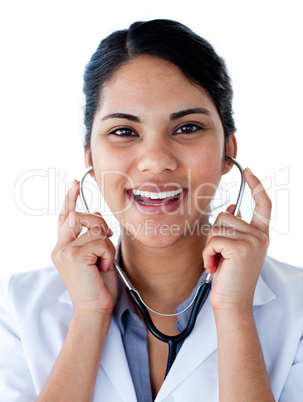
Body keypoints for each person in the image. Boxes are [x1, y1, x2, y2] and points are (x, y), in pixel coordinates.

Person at [0, 19, 302, 402]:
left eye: (188, 127)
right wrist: (90, 318)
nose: (156, 161)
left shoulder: (299, 308)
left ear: (229, 150)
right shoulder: (16, 307)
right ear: (89, 155)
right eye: (124, 131)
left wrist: (235, 313)